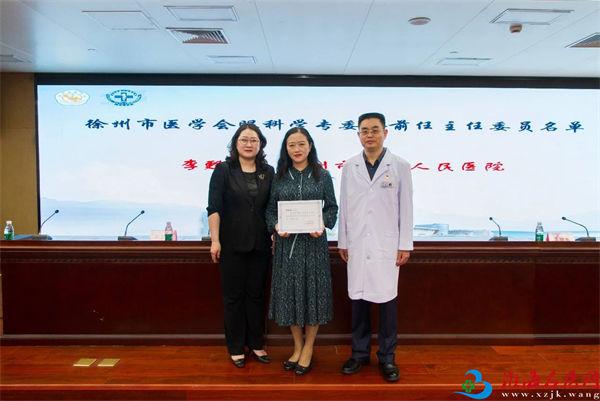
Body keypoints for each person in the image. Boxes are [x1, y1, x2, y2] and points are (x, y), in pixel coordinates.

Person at [337, 112, 413, 382]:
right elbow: (345, 207)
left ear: (385, 133)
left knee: (387, 304)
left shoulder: (400, 166)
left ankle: (387, 357)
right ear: (358, 134)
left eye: (374, 130)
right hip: (357, 244)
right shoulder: (350, 167)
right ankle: (359, 354)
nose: (369, 135)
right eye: (364, 130)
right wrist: (343, 241)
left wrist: (405, 244)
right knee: (358, 303)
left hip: (386, 246)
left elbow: (406, 207)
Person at [266, 127, 338, 376]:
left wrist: (322, 224)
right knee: (291, 296)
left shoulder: (322, 174)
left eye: (301, 144)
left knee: (313, 295)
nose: (296, 149)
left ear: (310, 146)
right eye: (291, 145)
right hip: (287, 247)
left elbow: (331, 208)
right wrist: (276, 226)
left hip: (314, 246)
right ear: (285, 149)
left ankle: (308, 348)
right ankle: (297, 346)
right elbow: (270, 211)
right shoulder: (279, 176)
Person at [207, 123, 275, 368]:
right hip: (231, 244)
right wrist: (215, 240)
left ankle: (256, 343)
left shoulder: (268, 171)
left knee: (256, 296)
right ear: (235, 143)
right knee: (233, 297)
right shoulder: (224, 170)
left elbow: (272, 207)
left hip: (261, 244)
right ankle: (236, 347)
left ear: (260, 144)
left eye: (253, 140)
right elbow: (214, 207)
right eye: (244, 140)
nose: (249, 144)